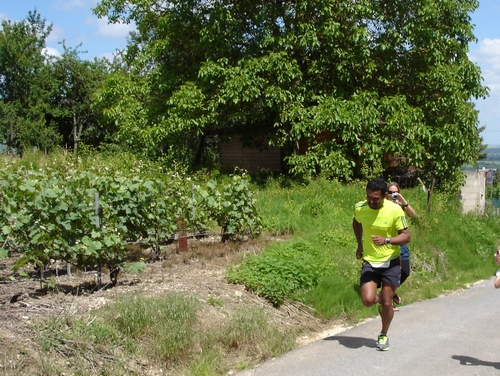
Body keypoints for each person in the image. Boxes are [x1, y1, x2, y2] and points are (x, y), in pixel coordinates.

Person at [352, 178, 410, 351]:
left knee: (385, 303)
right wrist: (360, 244)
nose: (371, 201)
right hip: (370, 261)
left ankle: (383, 334)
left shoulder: (395, 210)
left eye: (375, 199)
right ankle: (386, 297)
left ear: (385, 196)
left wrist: (387, 240)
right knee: (368, 300)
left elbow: (406, 236)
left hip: (391, 261)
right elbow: (356, 222)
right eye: (368, 197)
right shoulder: (360, 208)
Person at [387, 182, 416, 309]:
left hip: (402, 242)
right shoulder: (383, 206)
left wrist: (402, 201)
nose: (392, 195)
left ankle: (388, 294)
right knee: (391, 273)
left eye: (395, 192)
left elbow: (413, 215)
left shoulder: (399, 206)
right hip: (389, 243)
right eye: (390, 192)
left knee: (405, 271)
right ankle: (387, 299)